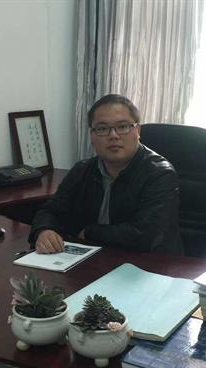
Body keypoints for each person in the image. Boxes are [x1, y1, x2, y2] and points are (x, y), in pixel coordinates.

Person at [29, 94, 183, 255]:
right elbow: (50, 210)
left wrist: (89, 233)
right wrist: (44, 230)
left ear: (137, 131)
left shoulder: (160, 174)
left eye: (122, 127)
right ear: (92, 136)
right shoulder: (82, 170)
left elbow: (147, 235)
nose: (113, 135)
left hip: (149, 263)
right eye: (102, 129)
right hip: (92, 259)